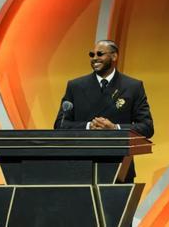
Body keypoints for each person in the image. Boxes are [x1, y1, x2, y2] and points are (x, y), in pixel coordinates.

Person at [54, 40, 154, 180]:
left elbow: (147, 127)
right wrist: (89, 126)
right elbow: (60, 125)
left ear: (114, 56)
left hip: (119, 167)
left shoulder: (133, 86)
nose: (95, 58)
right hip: (80, 166)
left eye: (100, 54)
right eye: (92, 54)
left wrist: (115, 128)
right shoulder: (75, 86)